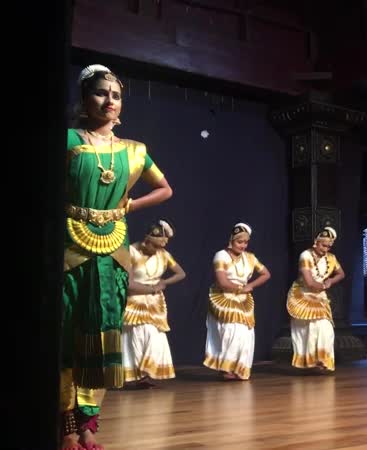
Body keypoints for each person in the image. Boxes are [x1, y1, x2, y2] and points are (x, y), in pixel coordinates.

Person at [61, 64, 173, 450]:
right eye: (100, 92)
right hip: (69, 244)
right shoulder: (68, 139)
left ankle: (88, 425)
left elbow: (165, 189)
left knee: (103, 335)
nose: (109, 100)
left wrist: (129, 206)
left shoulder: (135, 151)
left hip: (113, 249)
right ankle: (64, 426)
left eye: (116, 94)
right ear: (84, 99)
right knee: (65, 334)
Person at [122, 219, 186, 388]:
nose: (159, 250)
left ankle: (145, 374)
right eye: (155, 246)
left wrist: (164, 283)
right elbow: (129, 284)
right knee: (138, 335)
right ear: (146, 240)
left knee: (154, 337)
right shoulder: (131, 252)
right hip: (135, 301)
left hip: (155, 303)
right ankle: (135, 374)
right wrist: (150, 289)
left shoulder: (163, 254)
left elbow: (181, 273)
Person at [204, 223, 271, 380]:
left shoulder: (250, 258)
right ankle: (226, 368)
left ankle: (239, 369)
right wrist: (241, 288)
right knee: (230, 331)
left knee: (245, 334)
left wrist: (251, 285)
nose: (243, 245)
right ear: (232, 240)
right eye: (239, 242)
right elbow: (222, 281)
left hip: (242, 299)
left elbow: (266, 274)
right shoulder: (221, 255)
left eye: (245, 242)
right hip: (224, 297)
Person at [287, 227, 345, 372]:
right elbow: (309, 282)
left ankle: (322, 360)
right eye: (323, 245)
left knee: (325, 327)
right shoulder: (305, 256)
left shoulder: (331, 258)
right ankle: (309, 362)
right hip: (303, 295)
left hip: (319, 296)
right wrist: (323, 285)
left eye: (329, 246)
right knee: (306, 330)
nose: (326, 249)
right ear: (316, 242)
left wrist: (331, 281)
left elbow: (341, 274)